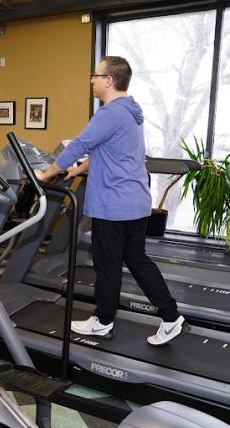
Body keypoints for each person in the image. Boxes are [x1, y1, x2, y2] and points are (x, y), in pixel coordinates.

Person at [34, 56, 187, 346]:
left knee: (107, 266)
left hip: (113, 206)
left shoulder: (110, 113)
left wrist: (46, 173)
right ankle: (171, 316)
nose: (91, 80)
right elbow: (106, 151)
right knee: (137, 261)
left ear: (109, 80)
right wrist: (77, 170)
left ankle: (103, 322)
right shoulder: (131, 112)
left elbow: (80, 144)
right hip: (135, 204)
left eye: (96, 75)